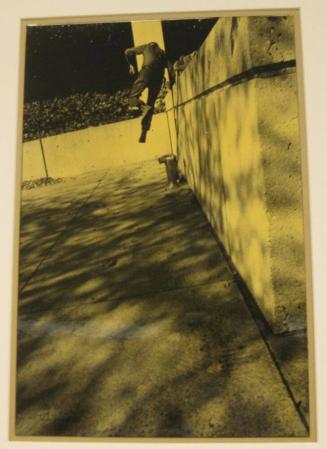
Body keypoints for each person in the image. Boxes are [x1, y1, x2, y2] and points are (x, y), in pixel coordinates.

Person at [124, 42, 174, 142]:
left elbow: (127, 52)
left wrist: (131, 65)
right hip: (158, 77)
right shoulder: (162, 53)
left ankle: (143, 107)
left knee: (132, 98)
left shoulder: (145, 47)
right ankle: (144, 131)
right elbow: (170, 68)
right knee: (150, 103)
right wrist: (172, 83)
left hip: (146, 72)